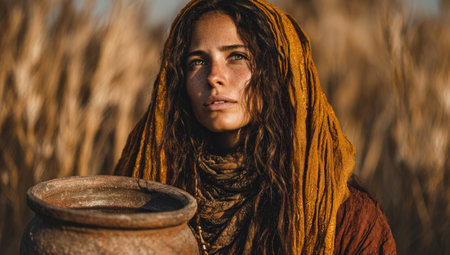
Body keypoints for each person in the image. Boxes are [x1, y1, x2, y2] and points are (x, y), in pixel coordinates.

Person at [114, 0, 397, 254]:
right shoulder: (149, 192)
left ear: (278, 71)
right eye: (197, 61)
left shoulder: (345, 218)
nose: (214, 77)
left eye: (237, 56)